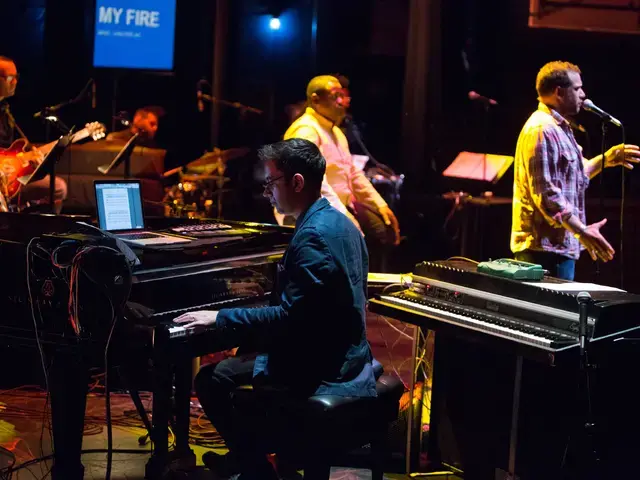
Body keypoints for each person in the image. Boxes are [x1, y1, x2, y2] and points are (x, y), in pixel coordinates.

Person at [175, 138, 377, 480]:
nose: (266, 192)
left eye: (271, 182)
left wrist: (220, 316)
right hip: (348, 350)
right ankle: (245, 460)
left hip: (323, 364)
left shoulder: (311, 235)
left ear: (297, 182)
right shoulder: (341, 222)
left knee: (213, 378)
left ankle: (255, 468)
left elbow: (289, 318)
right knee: (243, 356)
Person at [511, 61, 640, 280]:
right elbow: (546, 194)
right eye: (577, 88)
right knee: (549, 314)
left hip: (557, 248)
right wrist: (581, 230)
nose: (583, 95)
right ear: (559, 92)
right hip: (542, 252)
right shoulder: (542, 129)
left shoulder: (558, 128)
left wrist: (607, 159)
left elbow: (574, 175)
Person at [283, 75, 400, 271]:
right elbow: (313, 184)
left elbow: (353, 174)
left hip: (336, 208)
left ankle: (369, 292)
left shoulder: (335, 132)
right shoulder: (305, 130)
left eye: (343, 96)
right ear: (316, 99)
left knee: (383, 231)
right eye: (335, 96)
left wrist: (380, 205)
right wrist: (344, 218)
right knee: (360, 243)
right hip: (311, 212)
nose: (341, 102)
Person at [0, 56, 67, 213]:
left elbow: (13, 151)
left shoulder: (5, 110)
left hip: (11, 179)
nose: (15, 82)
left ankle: (43, 234)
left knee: (58, 187)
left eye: (16, 77)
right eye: (10, 77)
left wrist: (31, 160)